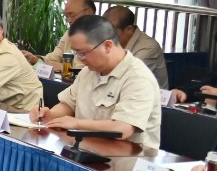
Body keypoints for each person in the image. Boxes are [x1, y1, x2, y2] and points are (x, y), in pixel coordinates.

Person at [31, 15, 162, 152]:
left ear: (107, 46)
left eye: (83, 53)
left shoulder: (138, 78)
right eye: (76, 53)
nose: (80, 60)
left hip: (126, 158)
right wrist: (49, 115)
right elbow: (68, 104)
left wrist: (77, 123)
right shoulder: (88, 72)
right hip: (87, 150)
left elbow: (123, 129)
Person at [103, 5, 170, 88]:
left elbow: (126, 76)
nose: (105, 34)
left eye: (111, 30)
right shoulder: (112, 42)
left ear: (129, 29)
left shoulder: (148, 47)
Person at [22, 0, 95, 66]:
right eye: (66, 16)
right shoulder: (69, 33)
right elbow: (55, 57)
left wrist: (59, 67)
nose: (69, 20)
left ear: (88, 12)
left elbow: (83, 69)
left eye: (72, 15)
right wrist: (34, 59)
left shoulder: (98, 35)